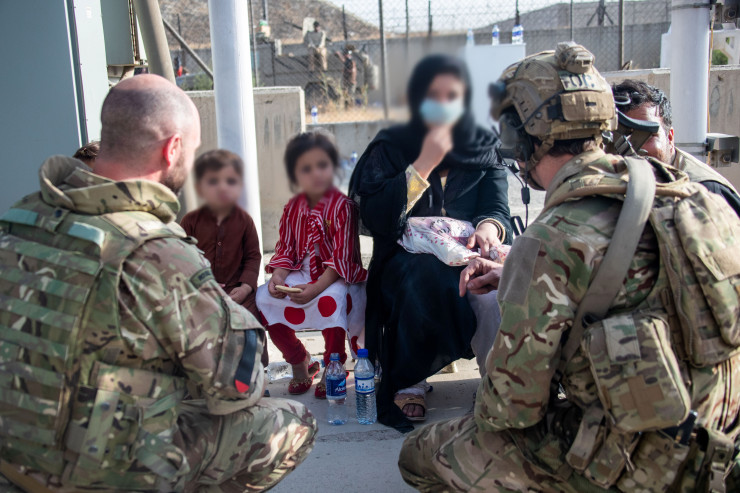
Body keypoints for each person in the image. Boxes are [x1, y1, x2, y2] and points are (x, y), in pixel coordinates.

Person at [398, 42, 740, 492]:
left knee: (420, 455)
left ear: (525, 140)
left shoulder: (549, 241)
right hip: (719, 451)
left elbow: (509, 410)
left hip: (636, 468)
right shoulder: (700, 199)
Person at [0, 74, 316, 492]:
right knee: (293, 423)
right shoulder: (158, 251)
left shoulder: (20, 219)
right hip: (99, 475)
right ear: (173, 149)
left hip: (14, 458)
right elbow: (239, 387)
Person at [349, 55, 511, 430]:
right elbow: (377, 218)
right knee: (422, 277)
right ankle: (410, 380)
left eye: (451, 96)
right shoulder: (392, 146)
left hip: (468, 255)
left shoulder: (482, 145)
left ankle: (497, 383)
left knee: (490, 292)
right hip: (405, 259)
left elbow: (497, 207)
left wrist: (489, 228)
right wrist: (422, 164)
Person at [256, 131, 367, 399]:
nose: (315, 173)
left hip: (335, 277)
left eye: (322, 165)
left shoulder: (343, 207)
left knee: (331, 300)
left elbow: (341, 259)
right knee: (262, 298)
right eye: (306, 168)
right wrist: (278, 277)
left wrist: (315, 288)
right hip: (301, 274)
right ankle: (299, 359)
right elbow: (285, 249)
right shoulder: (292, 207)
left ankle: (333, 364)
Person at [180, 149, 268, 368]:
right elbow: (183, 257)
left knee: (249, 330)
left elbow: (253, 256)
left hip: (238, 292)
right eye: (213, 181)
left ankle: (253, 373)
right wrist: (201, 285)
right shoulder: (190, 221)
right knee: (197, 333)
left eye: (230, 181)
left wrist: (245, 287)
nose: (222, 188)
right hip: (201, 292)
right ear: (200, 187)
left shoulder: (244, 221)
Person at [611, 79, 740, 216]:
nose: (631, 148)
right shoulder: (609, 178)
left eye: (646, 136)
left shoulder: (706, 191)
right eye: (621, 138)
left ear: (670, 138)